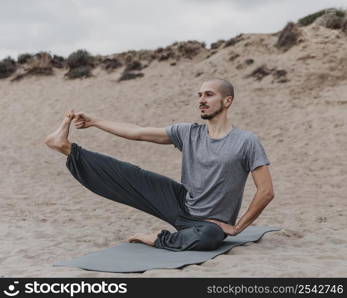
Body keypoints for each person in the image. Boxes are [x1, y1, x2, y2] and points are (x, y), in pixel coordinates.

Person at [44, 78, 274, 251]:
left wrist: (237, 228)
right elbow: (138, 132)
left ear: (227, 100)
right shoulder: (188, 132)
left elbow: (266, 191)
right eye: (199, 95)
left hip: (211, 223)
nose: (201, 100)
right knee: (128, 173)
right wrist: (95, 121)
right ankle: (66, 148)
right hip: (180, 202)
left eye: (209, 94)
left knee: (208, 238)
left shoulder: (246, 141)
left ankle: (157, 238)